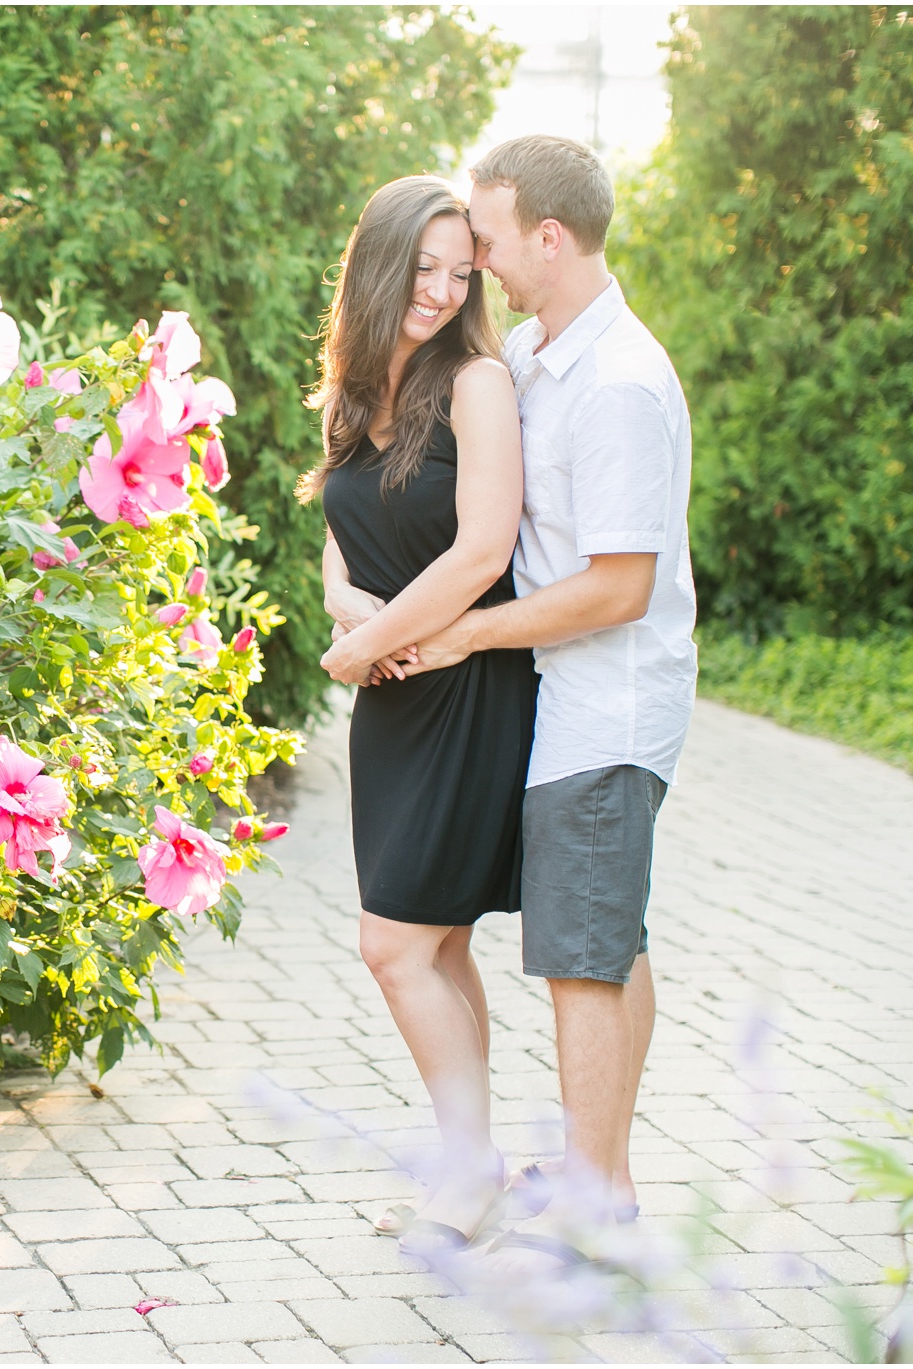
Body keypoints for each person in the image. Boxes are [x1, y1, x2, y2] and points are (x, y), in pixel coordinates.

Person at [391, 134, 698, 1267]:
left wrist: (466, 628)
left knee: (578, 954)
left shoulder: (617, 383)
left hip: (603, 707)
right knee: (610, 940)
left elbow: (618, 585)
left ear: (548, 238)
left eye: (487, 236)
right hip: (563, 700)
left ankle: (597, 1206)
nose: (477, 257)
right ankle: (592, 1169)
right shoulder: (536, 350)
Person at [304, 174, 539, 1255]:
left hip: (464, 685)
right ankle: (469, 1159)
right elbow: (338, 546)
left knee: (391, 945)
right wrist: (349, 616)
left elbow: (481, 551)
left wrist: (364, 640)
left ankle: (469, 1167)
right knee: (434, 950)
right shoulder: (357, 390)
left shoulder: (476, 382)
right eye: (423, 269)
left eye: (461, 271)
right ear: (376, 265)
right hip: (391, 700)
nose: (442, 291)